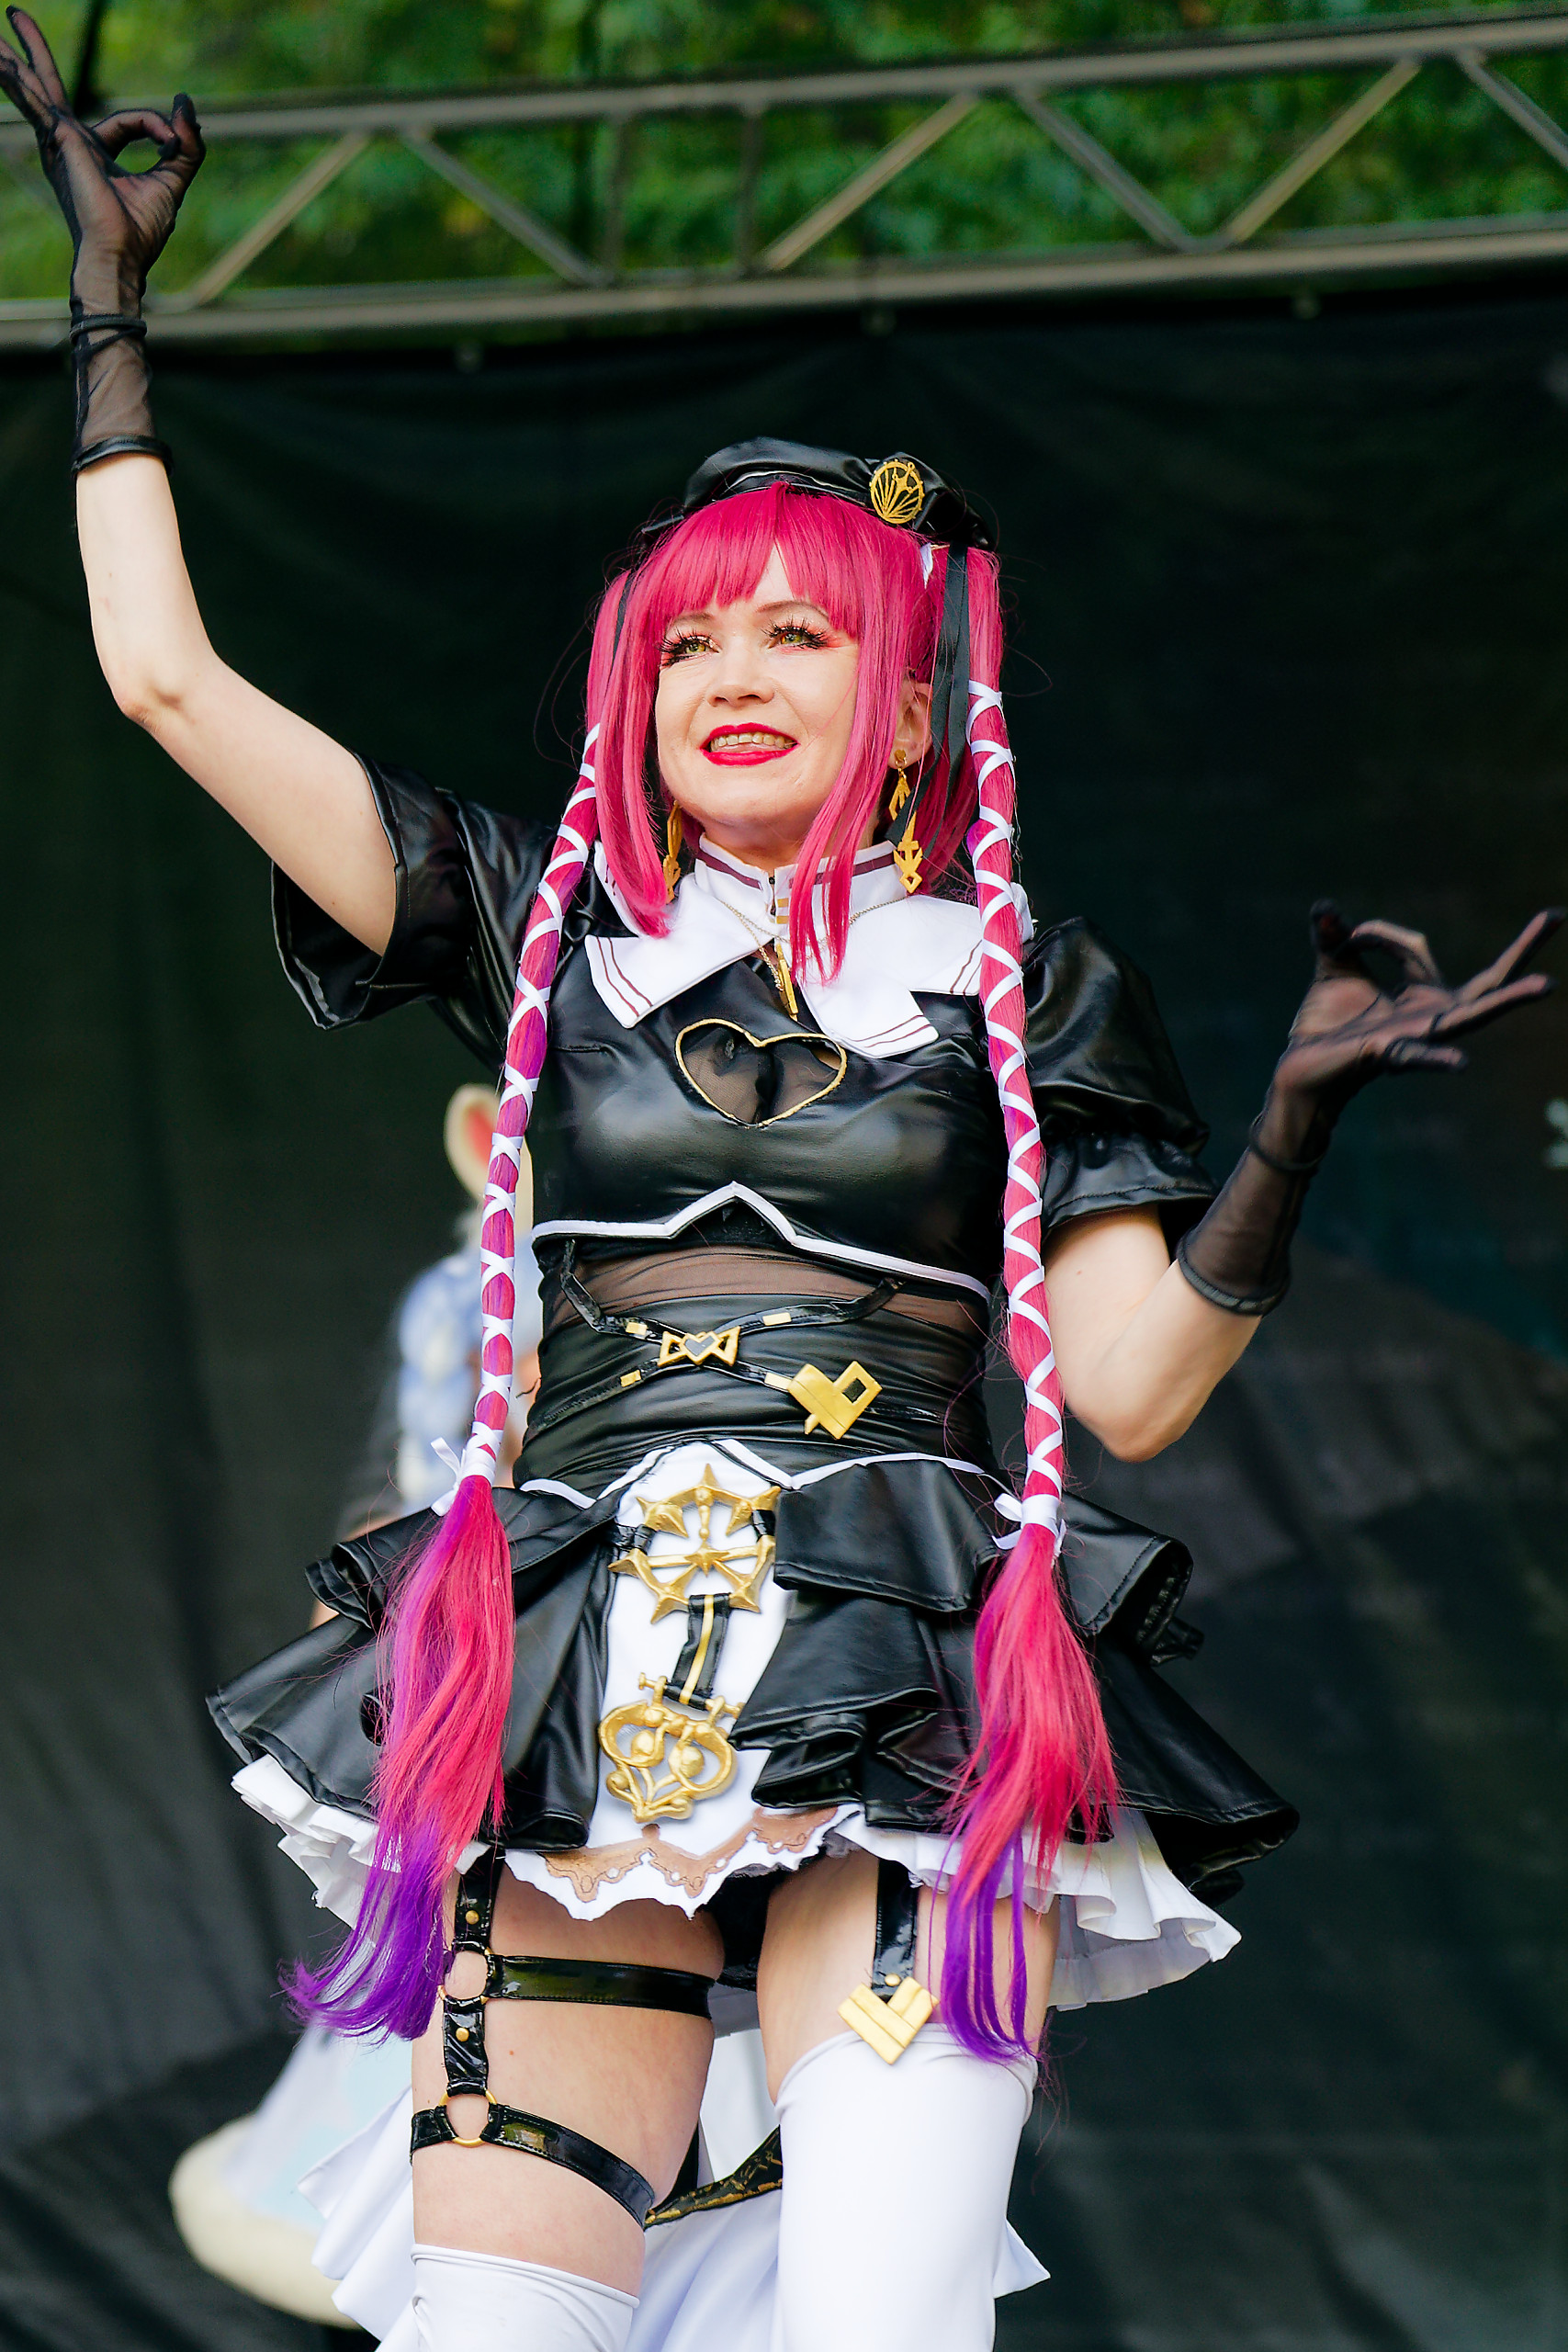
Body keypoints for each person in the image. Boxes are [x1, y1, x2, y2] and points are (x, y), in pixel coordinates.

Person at [4, 18, 1556, 2347]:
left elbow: (1127, 1387)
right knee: (489, 2321)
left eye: (799, 632)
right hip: (581, 1667)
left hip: (897, 1665)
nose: (731, 674)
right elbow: (162, 682)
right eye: (689, 639)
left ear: (908, 703)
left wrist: (1288, 1129)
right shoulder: (537, 920)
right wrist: (110, 321)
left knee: (877, 2313)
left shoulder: (1020, 979)